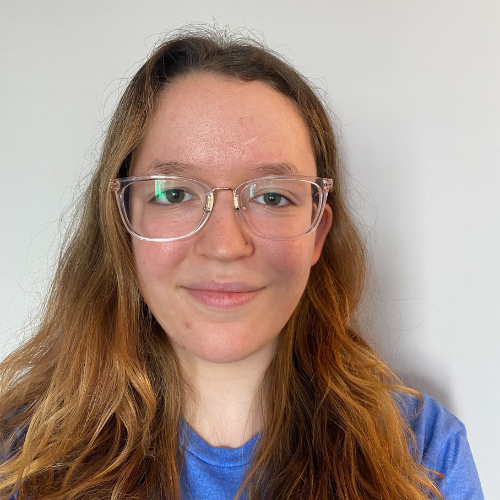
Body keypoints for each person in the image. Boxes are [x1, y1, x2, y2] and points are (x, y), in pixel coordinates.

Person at [0, 27, 483, 500]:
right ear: (123, 223)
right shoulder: (21, 460)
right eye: (174, 193)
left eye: (272, 196)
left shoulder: (423, 452)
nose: (226, 245)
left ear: (318, 232)